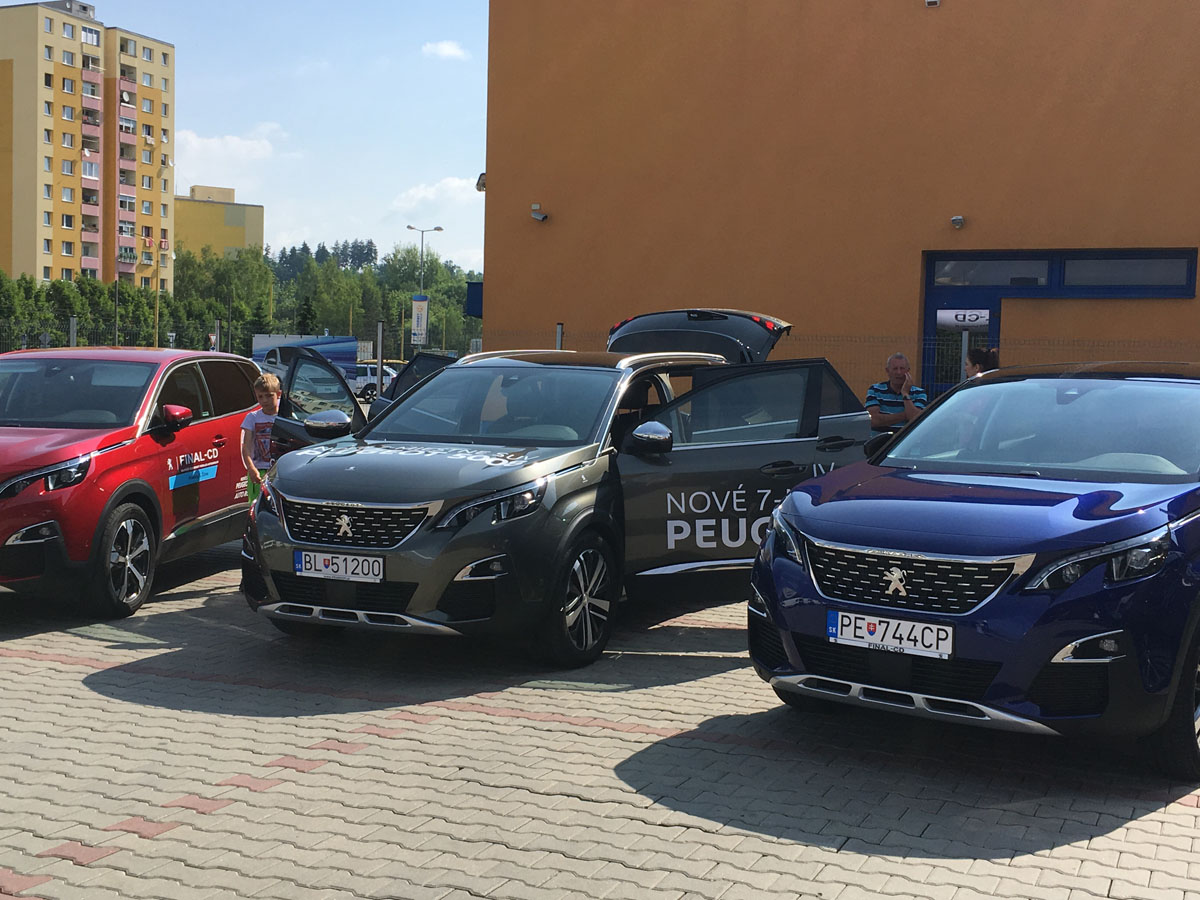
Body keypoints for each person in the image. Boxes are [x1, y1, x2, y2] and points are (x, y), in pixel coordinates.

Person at [241, 373, 282, 504]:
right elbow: (246, 446)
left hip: (279, 471)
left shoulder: (284, 417)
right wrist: (251, 468)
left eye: (269, 396)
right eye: (260, 396)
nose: (264, 400)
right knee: (257, 506)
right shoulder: (252, 418)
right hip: (258, 470)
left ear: (278, 394)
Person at [865, 352, 928, 433]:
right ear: (887, 371)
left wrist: (905, 393)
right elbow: (873, 421)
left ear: (908, 371)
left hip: (905, 440)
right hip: (880, 439)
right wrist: (905, 415)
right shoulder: (875, 390)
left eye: (902, 368)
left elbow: (915, 420)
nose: (899, 372)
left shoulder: (919, 393)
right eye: (895, 369)